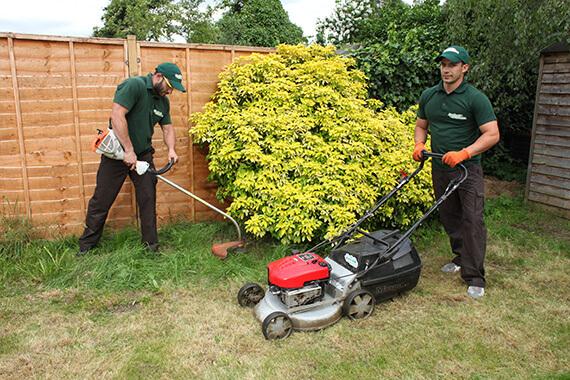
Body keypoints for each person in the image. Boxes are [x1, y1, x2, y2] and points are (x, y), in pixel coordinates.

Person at [413, 46, 499, 299]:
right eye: (443, 64)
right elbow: (421, 125)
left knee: (472, 219)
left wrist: (465, 153)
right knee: (450, 215)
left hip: (466, 169)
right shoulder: (430, 95)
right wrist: (419, 144)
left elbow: (492, 134)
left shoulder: (475, 98)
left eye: (452, 65)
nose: (446, 69)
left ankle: (475, 277)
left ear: (464, 68)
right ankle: (461, 258)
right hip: (439, 166)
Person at [78, 62, 186, 256]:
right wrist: (128, 151)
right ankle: (86, 247)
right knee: (101, 200)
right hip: (117, 154)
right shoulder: (134, 86)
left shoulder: (163, 102)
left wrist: (171, 149)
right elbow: (117, 114)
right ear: (159, 76)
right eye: (170, 87)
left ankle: (151, 248)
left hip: (143, 155)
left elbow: (167, 128)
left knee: (147, 199)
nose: (170, 92)